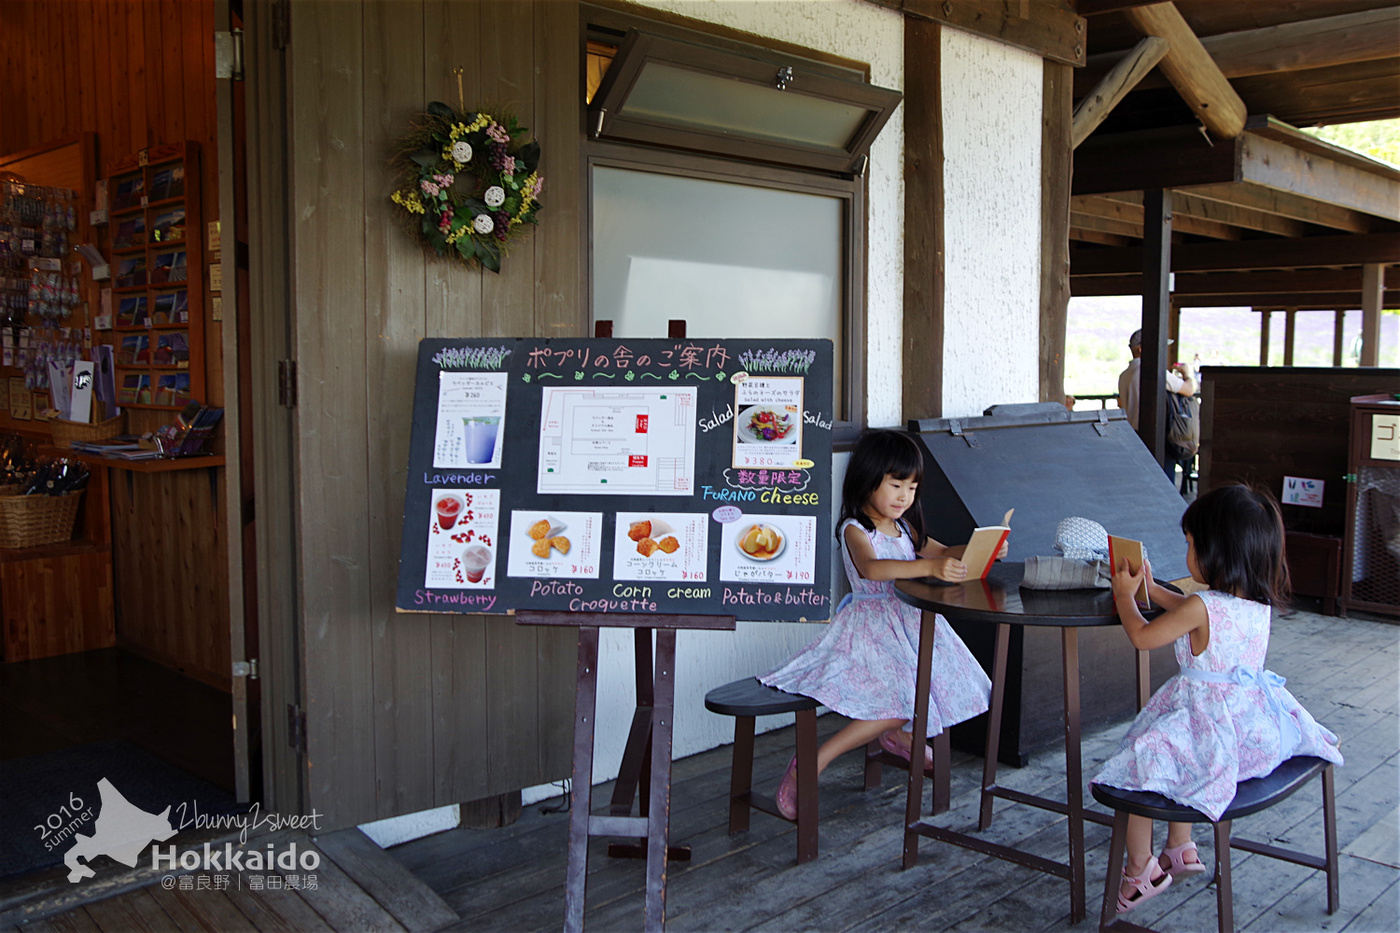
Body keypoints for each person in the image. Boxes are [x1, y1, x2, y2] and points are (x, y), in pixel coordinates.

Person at [1092, 485, 1343, 915]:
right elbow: (1192, 608)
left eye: (1191, 544)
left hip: (1206, 720)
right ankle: (1182, 847)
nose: (1188, 552)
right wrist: (1150, 588)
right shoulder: (1255, 603)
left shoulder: (1204, 607)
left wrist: (1124, 597)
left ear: (1217, 552)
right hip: (1249, 728)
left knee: (1140, 762)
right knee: (1176, 760)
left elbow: (1143, 636)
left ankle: (1141, 870)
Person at [760, 429, 998, 818]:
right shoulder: (855, 528)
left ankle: (898, 734)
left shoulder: (904, 527)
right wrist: (929, 566)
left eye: (913, 487)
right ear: (868, 479)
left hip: (911, 621)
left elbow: (944, 552)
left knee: (932, 684)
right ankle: (816, 759)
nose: (905, 496)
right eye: (896, 484)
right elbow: (871, 568)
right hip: (871, 626)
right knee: (905, 696)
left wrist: (984, 547)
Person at [1118, 329, 1197, 484]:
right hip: (1156, 437)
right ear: (1141, 349)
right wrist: (1188, 374)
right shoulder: (1151, 371)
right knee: (1164, 484)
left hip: (1134, 436)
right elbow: (1189, 390)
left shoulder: (1125, 374)